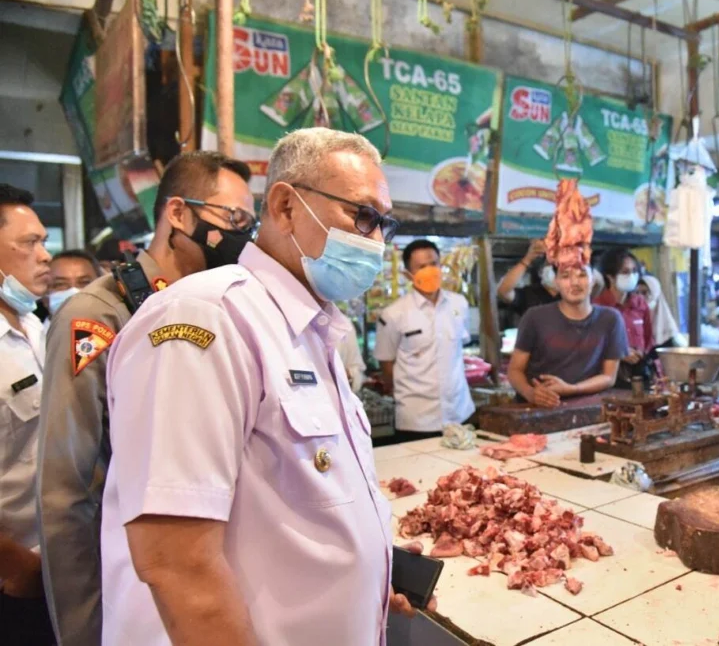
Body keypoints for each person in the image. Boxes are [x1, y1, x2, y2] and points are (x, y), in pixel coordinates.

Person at [98, 128, 425, 645]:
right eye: (361, 216)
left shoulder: (312, 332)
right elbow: (175, 560)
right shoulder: (208, 318)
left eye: (385, 224)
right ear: (285, 206)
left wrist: (364, 583)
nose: (376, 242)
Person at [36, 151, 255, 646]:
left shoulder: (221, 312)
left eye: (250, 222)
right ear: (178, 214)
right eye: (233, 218)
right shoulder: (98, 316)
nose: (243, 234)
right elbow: (68, 491)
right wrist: (85, 628)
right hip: (133, 592)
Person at [0, 184, 54, 645]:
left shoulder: (38, 326)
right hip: (14, 578)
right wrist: (16, 567)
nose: (45, 255)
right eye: (29, 243)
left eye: (44, 241)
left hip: (59, 568)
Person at [375, 239, 475, 443]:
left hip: (460, 413)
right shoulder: (393, 314)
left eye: (434, 264)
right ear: (408, 274)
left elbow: (458, 349)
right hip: (417, 421)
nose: (430, 270)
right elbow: (386, 363)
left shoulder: (459, 304)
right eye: (421, 267)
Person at [508, 264, 627, 408]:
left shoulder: (610, 319)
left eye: (582, 275)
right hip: (536, 407)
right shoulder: (534, 317)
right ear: (556, 282)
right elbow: (515, 370)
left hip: (585, 406)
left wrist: (572, 388)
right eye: (565, 276)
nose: (575, 282)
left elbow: (609, 377)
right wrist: (531, 394)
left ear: (593, 281)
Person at [593, 248, 654, 387]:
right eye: (625, 272)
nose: (631, 276)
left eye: (634, 271)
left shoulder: (640, 303)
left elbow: (648, 337)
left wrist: (640, 352)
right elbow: (592, 344)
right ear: (610, 277)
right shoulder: (597, 306)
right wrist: (620, 353)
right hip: (608, 377)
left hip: (638, 375)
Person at [496, 239, 559, 320]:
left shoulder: (571, 298)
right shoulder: (530, 294)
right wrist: (527, 259)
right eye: (549, 264)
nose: (552, 270)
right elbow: (503, 292)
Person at [44, 250, 101, 322]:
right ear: (44, 297)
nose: (74, 292)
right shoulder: (33, 332)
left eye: (84, 282)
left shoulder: (116, 331)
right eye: (60, 284)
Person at [637, 273, 681, 349]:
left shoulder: (668, 327)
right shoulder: (633, 316)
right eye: (637, 293)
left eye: (644, 293)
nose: (640, 297)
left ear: (655, 293)